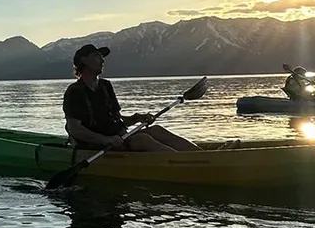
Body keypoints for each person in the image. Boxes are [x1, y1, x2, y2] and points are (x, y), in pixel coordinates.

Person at [62, 44, 237, 152]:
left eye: (102, 56)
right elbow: (75, 129)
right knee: (141, 139)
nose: (102, 60)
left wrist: (136, 119)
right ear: (84, 61)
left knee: (157, 130)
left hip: (118, 138)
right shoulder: (75, 92)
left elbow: (114, 119)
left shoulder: (106, 86)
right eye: (97, 56)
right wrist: (106, 140)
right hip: (96, 146)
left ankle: (203, 156)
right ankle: (193, 165)